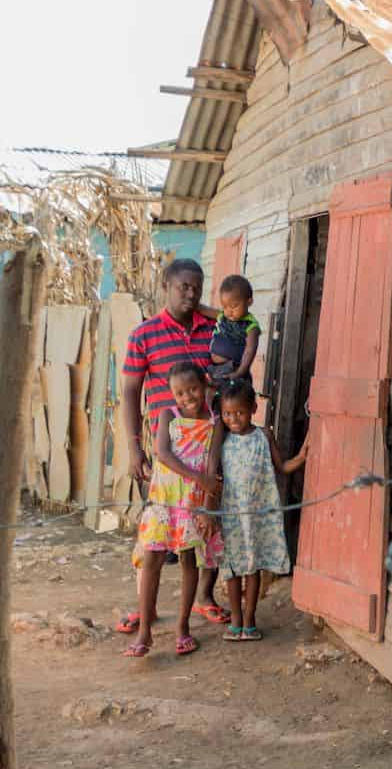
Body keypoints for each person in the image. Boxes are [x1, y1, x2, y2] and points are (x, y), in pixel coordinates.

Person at [120, 259, 228, 624]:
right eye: (183, 286)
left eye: (197, 287)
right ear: (165, 284)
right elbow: (131, 392)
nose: (190, 293)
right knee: (158, 532)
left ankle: (204, 598)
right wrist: (135, 447)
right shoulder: (143, 335)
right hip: (167, 455)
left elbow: (242, 316)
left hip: (207, 448)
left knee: (207, 523)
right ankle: (145, 609)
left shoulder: (214, 329)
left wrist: (205, 310)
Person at [120, 362, 223, 658]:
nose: (187, 397)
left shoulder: (215, 423)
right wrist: (199, 478)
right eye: (179, 393)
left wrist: (207, 503)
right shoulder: (169, 416)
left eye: (192, 389)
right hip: (164, 499)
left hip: (192, 503)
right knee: (152, 558)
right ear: (172, 395)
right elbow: (162, 454)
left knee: (189, 561)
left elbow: (213, 465)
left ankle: (182, 627)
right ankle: (145, 632)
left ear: (203, 385)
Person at [205, 378, 308, 641]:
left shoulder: (264, 436)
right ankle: (235, 620)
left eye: (239, 412)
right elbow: (214, 478)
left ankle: (250, 620)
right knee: (232, 568)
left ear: (253, 408)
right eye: (227, 414)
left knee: (253, 567)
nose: (233, 419)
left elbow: (282, 467)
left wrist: (302, 456)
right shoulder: (223, 440)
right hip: (232, 518)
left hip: (259, 518)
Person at [208, 274, 261, 389]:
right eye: (225, 306)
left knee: (229, 399)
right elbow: (204, 310)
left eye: (234, 306)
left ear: (249, 302)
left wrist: (239, 373)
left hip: (232, 370)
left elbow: (249, 352)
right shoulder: (222, 316)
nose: (229, 311)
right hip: (215, 368)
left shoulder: (251, 326)